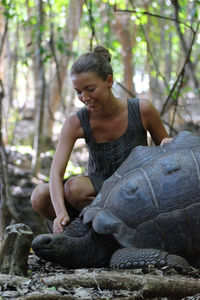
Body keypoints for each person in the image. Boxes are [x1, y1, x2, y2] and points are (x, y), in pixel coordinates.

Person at [31, 45, 170, 234]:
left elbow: (169, 152)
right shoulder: (76, 122)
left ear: (109, 81)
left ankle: (123, 230)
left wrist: (167, 146)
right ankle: (84, 233)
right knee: (41, 195)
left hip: (136, 188)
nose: (84, 97)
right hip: (98, 192)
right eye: (79, 92)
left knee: (75, 189)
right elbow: (55, 173)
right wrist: (60, 213)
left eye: (90, 89)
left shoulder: (142, 110)